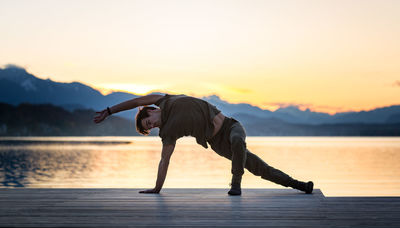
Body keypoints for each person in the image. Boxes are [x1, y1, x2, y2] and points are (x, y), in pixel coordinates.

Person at [93, 93, 313, 196]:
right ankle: (300, 186)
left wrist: (110, 111)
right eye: (151, 127)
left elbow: (135, 101)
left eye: (150, 122)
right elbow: (164, 161)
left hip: (230, 126)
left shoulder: (162, 99)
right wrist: (157, 188)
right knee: (258, 167)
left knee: (238, 141)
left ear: (151, 109)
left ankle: (235, 184)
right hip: (217, 142)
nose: (155, 125)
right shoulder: (168, 133)